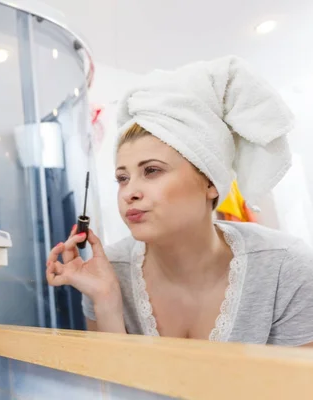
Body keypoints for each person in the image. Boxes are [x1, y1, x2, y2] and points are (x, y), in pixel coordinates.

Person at [46, 56, 313, 346]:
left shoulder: (285, 268)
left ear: (210, 182)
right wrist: (106, 302)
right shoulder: (110, 270)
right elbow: (110, 389)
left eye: (152, 171)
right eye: (122, 178)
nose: (128, 192)